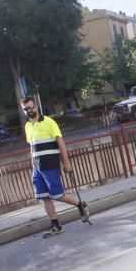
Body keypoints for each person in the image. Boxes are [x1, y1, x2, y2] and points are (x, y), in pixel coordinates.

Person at [21, 96, 90, 237]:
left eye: (31, 107)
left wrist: (66, 162)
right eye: (26, 109)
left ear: (36, 106)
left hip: (50, 165)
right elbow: (32, 148)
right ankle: (56, 225)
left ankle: (80, 205)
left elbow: (61, 143)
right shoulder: (28, 126)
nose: (29, 110)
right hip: (37, 168)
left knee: (57, 195)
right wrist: (33, 166)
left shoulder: (49, 122)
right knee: (44, 197)